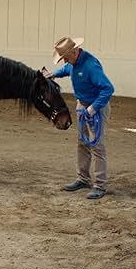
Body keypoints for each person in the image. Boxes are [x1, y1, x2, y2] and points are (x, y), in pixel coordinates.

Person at [41, 36, 115, 200]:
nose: (65, 61)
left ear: (75, 52)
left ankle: (100, 185)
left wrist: (93, 108)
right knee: (83, 143)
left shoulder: (91, 66)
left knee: (97, 145)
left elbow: (108, 89)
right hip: (83, 105)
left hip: (96, 107)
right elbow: (67, 69)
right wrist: (53, 75)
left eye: (66, 57)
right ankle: (83, 178)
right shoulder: (74, 62)